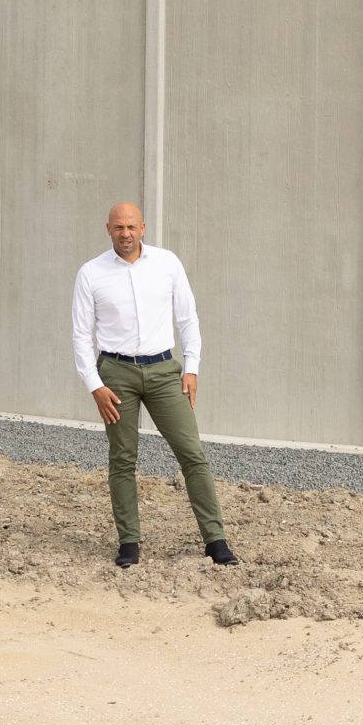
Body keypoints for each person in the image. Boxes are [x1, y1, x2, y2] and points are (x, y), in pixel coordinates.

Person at [70, 202, 237, 568]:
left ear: (143, 227)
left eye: (131, 227)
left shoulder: (167, 263)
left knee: (192, 453)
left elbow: (188, 318)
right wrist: (95, 385)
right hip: (116, 374)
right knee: (123, 459)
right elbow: (81, 335)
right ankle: (129, 542)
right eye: (118, 227)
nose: (125, 233)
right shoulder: (91, 273)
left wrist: (191, 367)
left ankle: (215, 540)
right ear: (108, 229)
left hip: (163, 371)